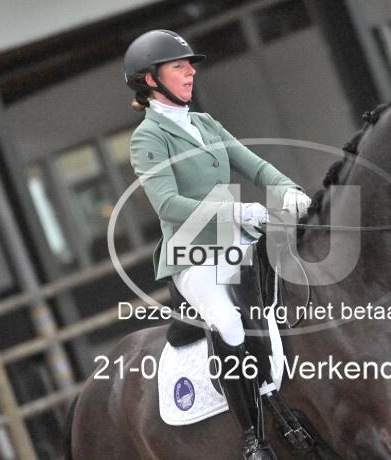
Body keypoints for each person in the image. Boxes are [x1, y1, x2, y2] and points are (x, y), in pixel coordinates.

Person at [126, 29, 311, 460]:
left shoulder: (205, 124)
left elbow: (255, 166)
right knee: (228, 324)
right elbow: (168, 204)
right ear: (150, 80)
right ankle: (253, 438)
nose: (190, 72)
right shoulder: (148, 138)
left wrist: (288, 189)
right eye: (179, 66)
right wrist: (238, 211)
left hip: (237, 244)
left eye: (190, 65)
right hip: (192, 256)